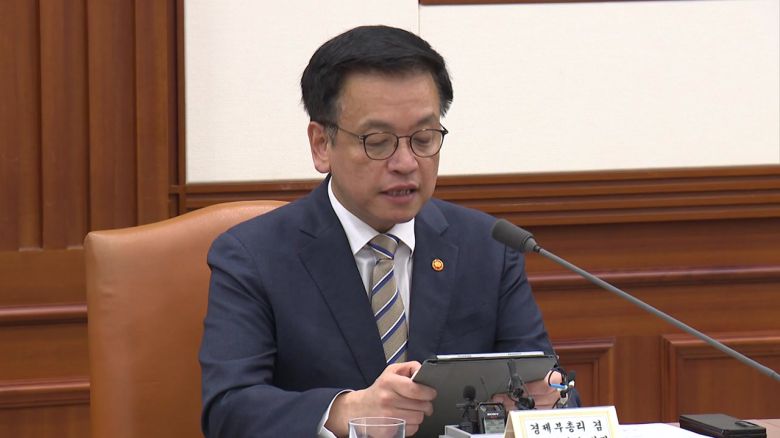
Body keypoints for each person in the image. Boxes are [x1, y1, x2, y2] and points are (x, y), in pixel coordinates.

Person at [200, 25, 569, 438]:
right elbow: (229, 410)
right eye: (378, 141)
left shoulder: (488, 247)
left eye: (424, 138)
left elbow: (554, 393)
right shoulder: (253, 256)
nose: (406, 163)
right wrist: (344, 411)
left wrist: (540, 404)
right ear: (321, 144)